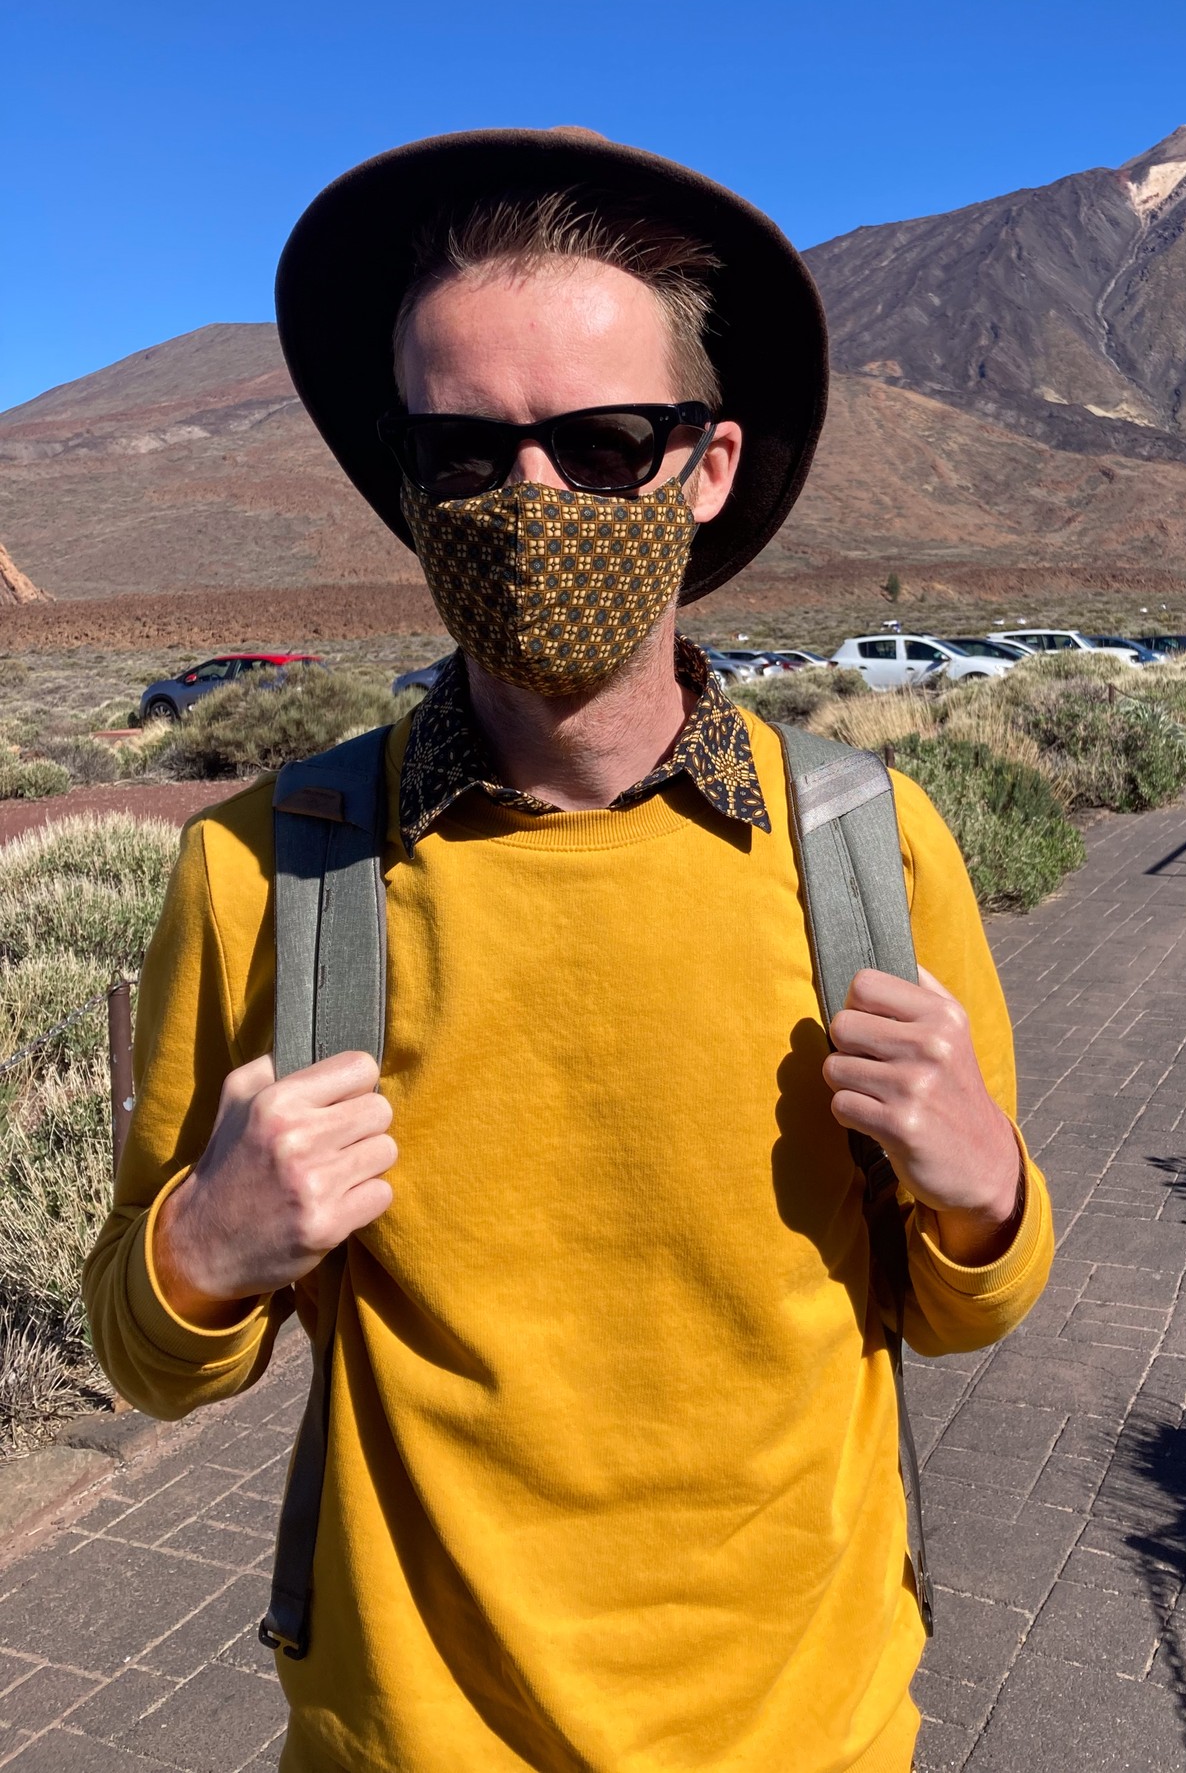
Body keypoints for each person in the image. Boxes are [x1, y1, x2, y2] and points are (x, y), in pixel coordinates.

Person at [84, 129, 1054, 1773]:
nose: (528, 501)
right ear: (407, 477)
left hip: (810, 1730)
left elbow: (962, 1307)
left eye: (604, 443)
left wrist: (987, 1188)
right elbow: (144, 1344)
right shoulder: (269, 871)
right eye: (463, 451)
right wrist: (207, 1243)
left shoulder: (869, 854)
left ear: (712, 462)